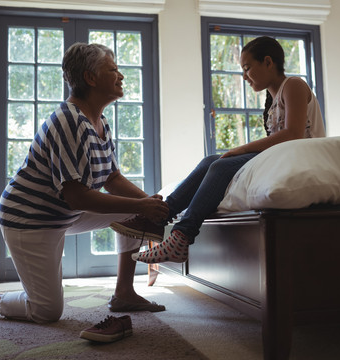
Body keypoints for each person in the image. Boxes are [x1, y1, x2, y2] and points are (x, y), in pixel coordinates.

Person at [0, 43, 169, 323]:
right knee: (47, 311)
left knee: (135, 211)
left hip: (61, 214)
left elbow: (112, 179)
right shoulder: (68, 121)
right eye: (113, 69)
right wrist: (144, 205)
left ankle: (124, 293)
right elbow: (77, 197)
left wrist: (151, 205)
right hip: (29, 219)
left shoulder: (100, 122)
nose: (121, 75)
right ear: (90, 78)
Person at [111, 36, 325, 264]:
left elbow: (292, 134)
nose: (244, 76)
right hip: (281, 156)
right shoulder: (273, 99)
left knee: (220, 165)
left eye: (247, 68)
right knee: (209, 161)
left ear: (268, 62)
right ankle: (160, 216)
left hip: (299, 157)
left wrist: (240, 149)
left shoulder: (294, 84)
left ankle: (181, 236)